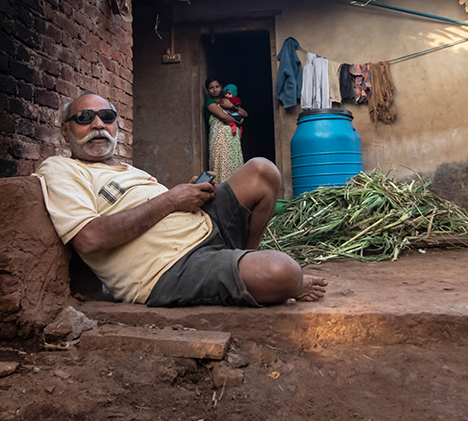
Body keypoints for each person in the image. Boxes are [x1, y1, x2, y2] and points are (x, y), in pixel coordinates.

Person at [33, 92, 327, 308]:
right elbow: (88, 238)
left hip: (203, 225)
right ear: (65, 129)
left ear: (116, 126)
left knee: (263, 171)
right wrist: (171, 200)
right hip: (168, 269)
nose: (98, 124)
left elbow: (161, 207)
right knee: (284, 273)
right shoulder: (60, 169)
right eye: (85, 118)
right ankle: (263, 276)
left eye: (107, 117)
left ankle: (243, 259)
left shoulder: (127, 169)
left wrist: (187, 195)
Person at [204, 78, 246, 183]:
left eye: (217, 87)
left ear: (221, 87)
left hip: (233, 141)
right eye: (211, 88)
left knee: (234, 165)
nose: (214, 90)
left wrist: (231, 106)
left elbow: (245, 114)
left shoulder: (227, 101)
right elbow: (223, 116)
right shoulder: (210, 103)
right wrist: (238, 123)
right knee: (221, 166)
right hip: (220, 140)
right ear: (208, 90)